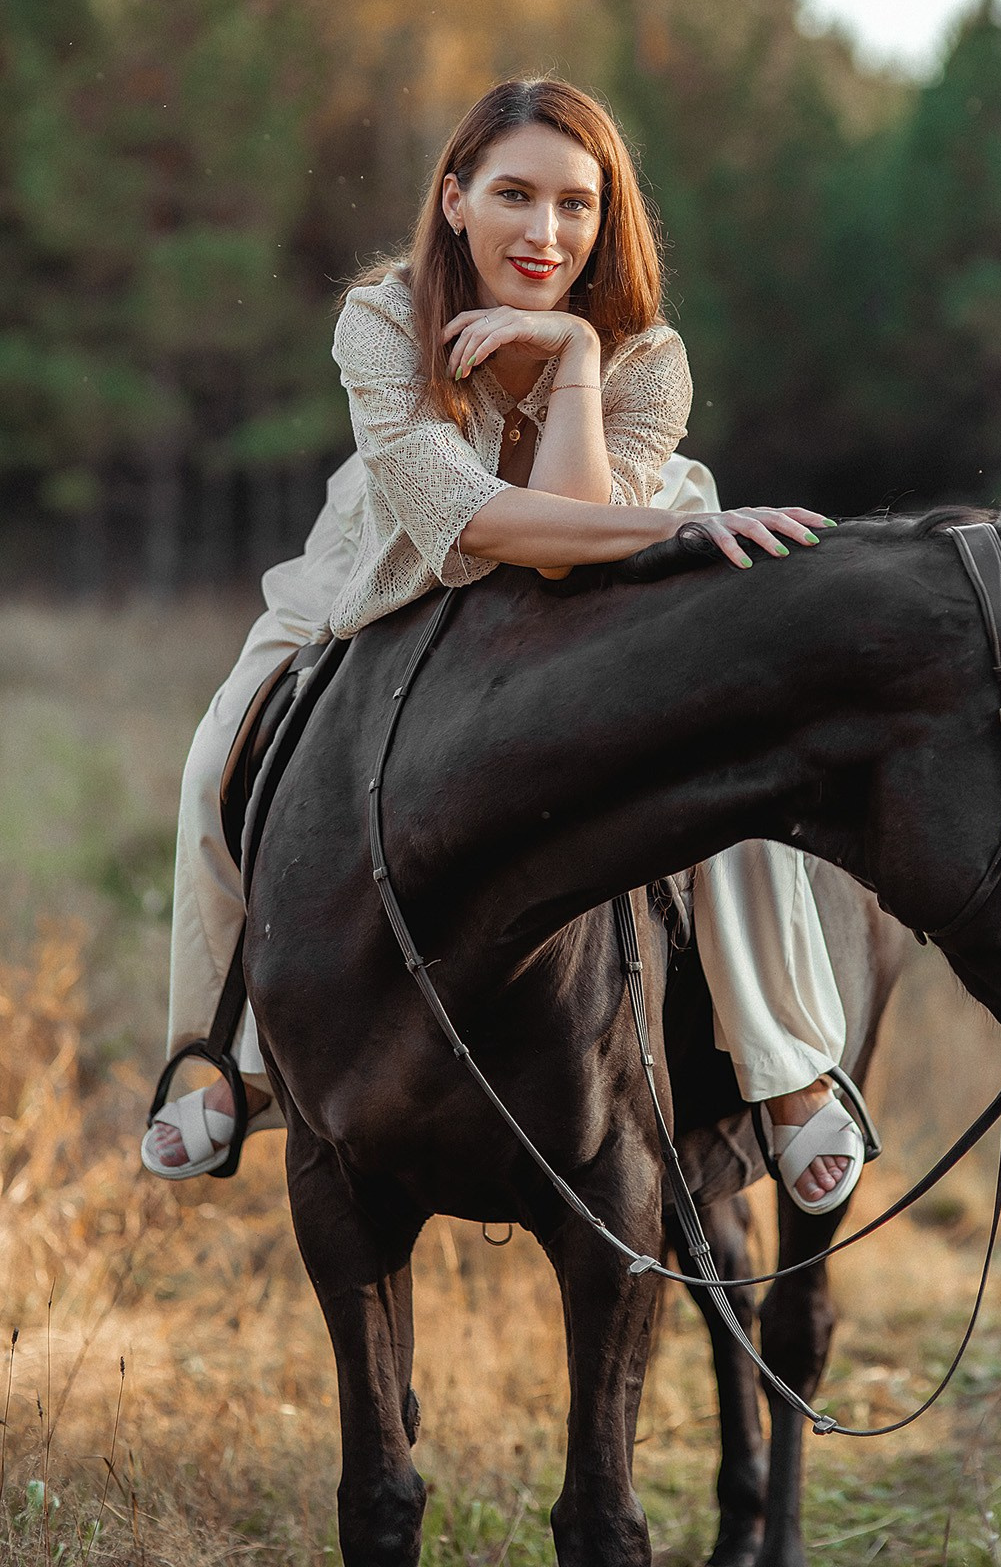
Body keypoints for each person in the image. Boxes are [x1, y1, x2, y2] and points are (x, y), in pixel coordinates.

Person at [142, 76, 865, 1213]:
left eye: (575, 205)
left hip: (604, 558)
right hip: (386, 557)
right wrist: (681, 527)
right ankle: (223, 1055)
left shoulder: (644, 355)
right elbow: (468, 522)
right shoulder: (382, 319)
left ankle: (785, 1073)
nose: (544, 233)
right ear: (454, 200)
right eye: (514, 196)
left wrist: (574, 354)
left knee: (729, 763)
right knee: (218, 752)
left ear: (605, 217)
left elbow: (572, 554)